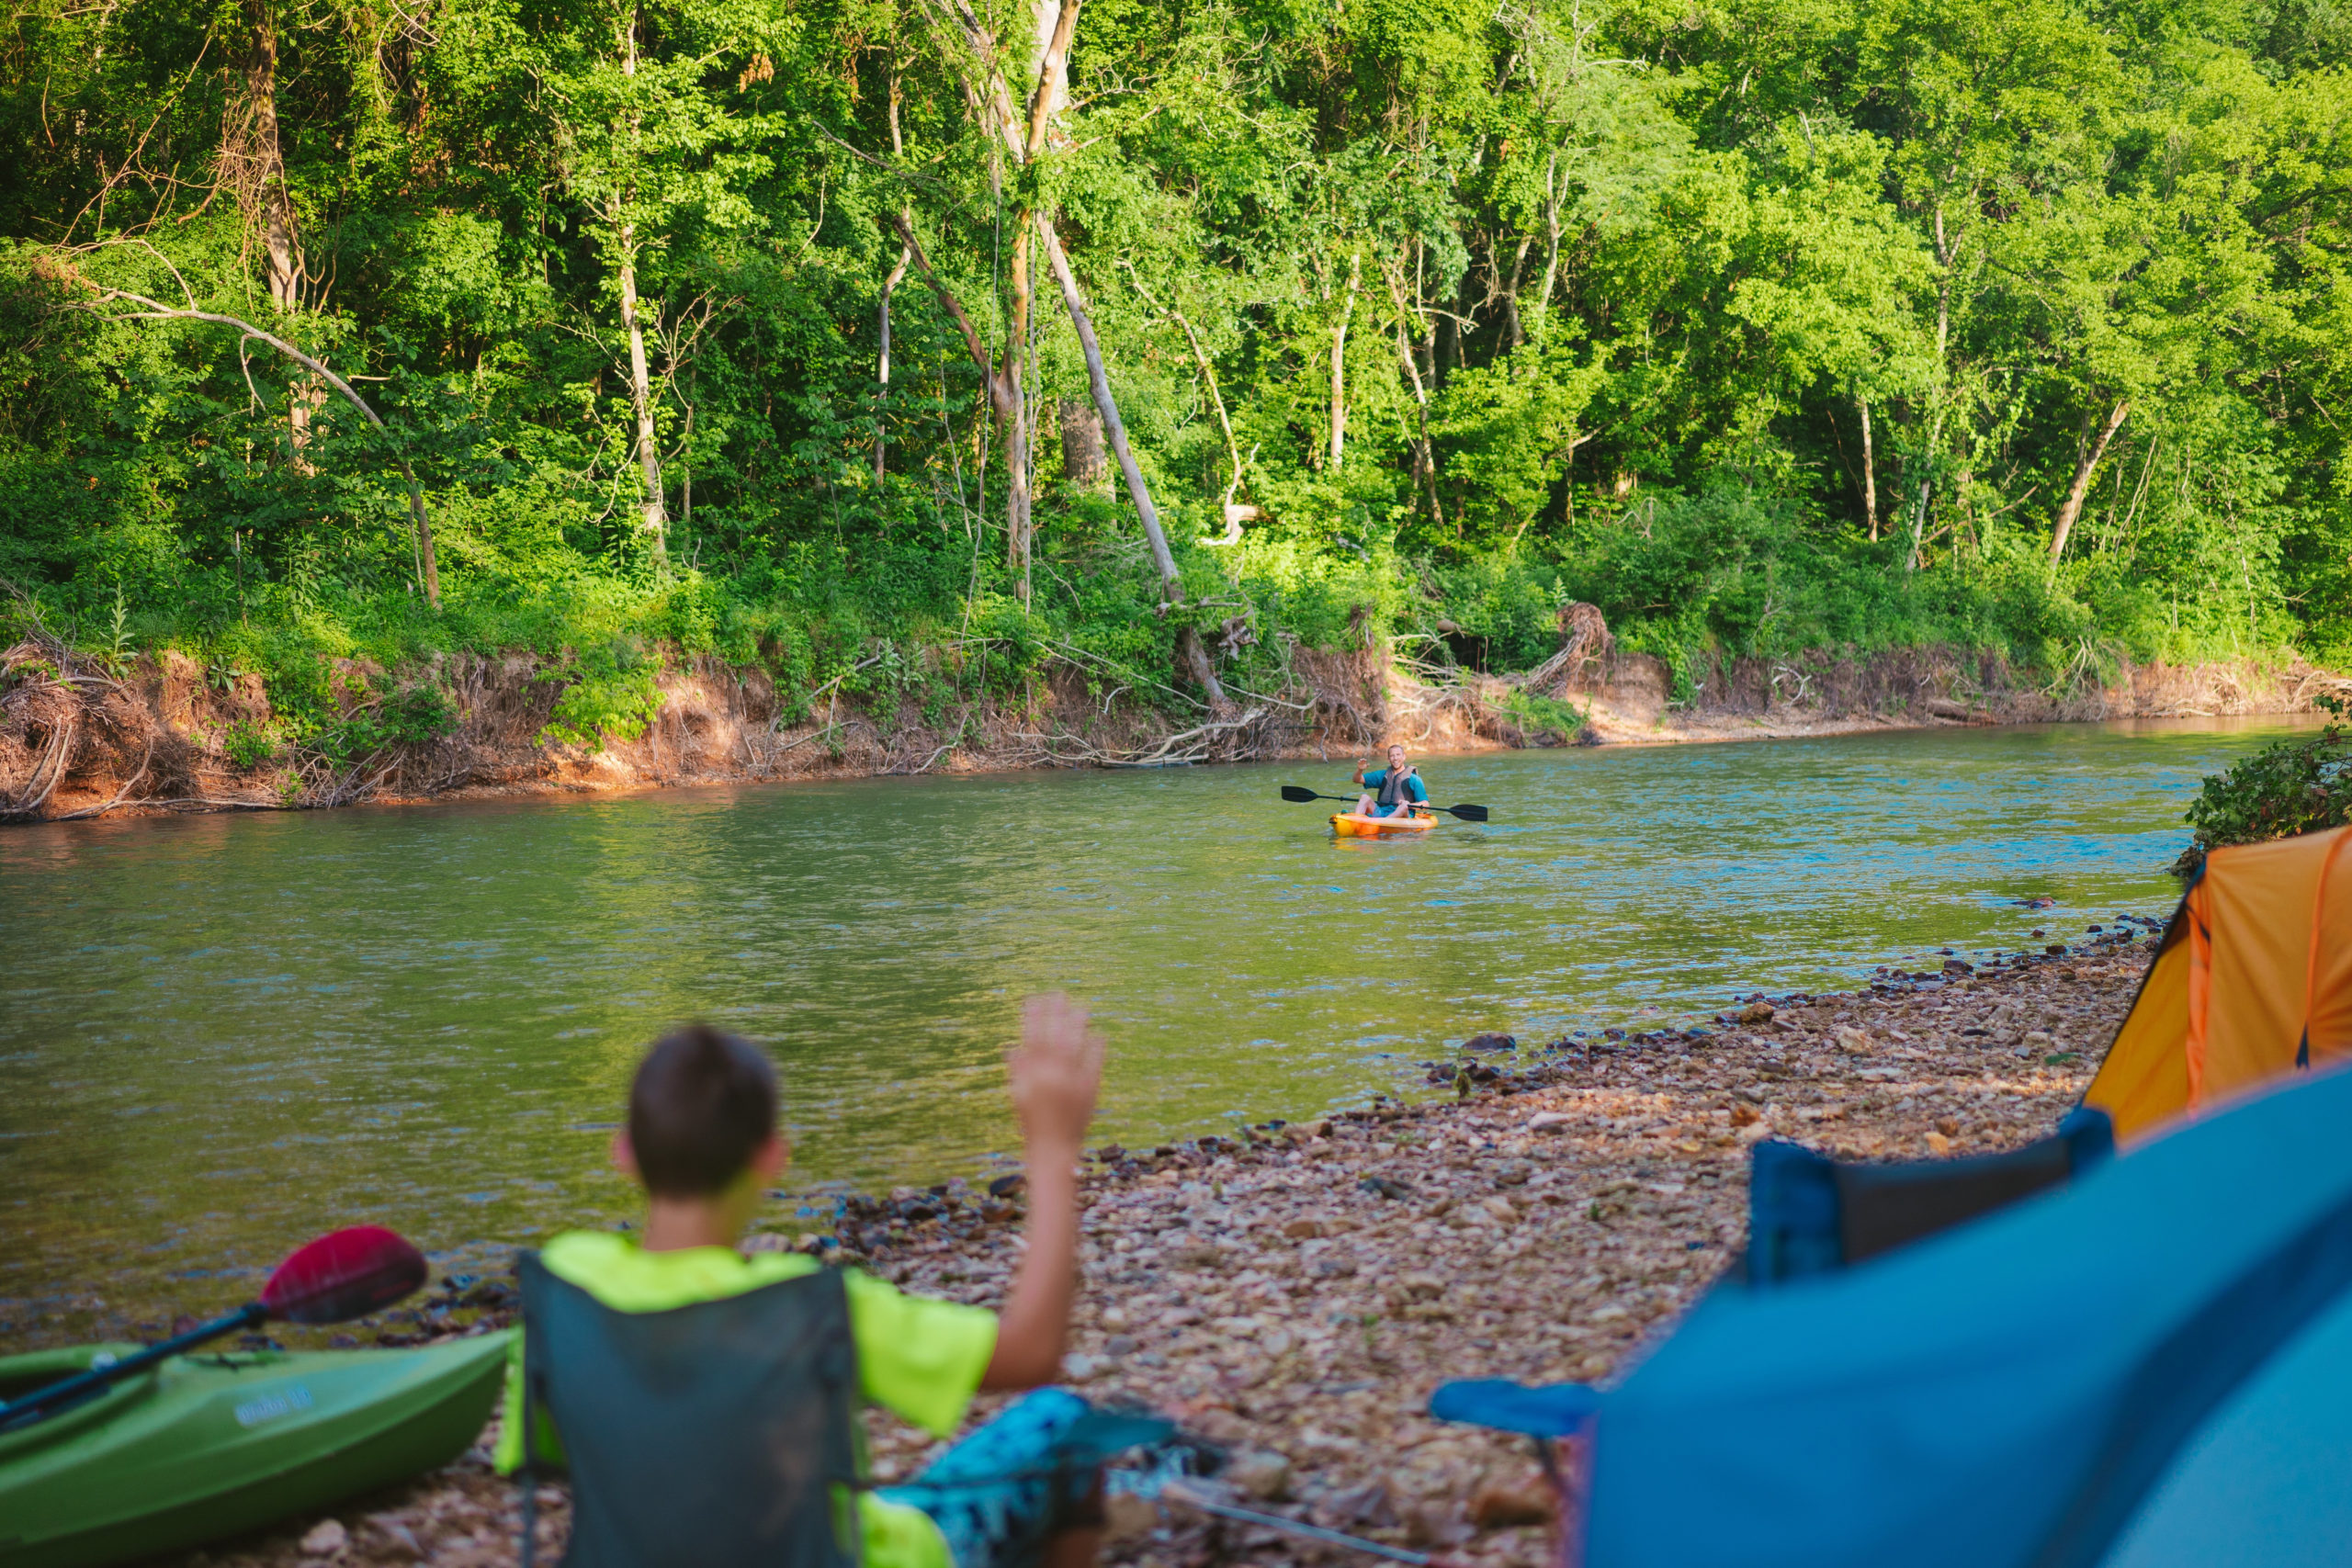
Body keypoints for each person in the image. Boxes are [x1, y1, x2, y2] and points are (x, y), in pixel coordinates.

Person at [496, 995, 1110, 1568]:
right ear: (771, 1156)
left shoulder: (562, 1290)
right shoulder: (808, 1304)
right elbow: (1032, 1352)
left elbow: (555, 1459)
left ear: (625, 1152)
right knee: (1064, 1423)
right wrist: (1052, 1151)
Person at [1352, 742, 1430, 819]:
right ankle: (1356, 822)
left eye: (1398, 755)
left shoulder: (1414, 779)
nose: (1395, 758)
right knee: (1364, 797)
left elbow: (1426, 804)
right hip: (1381, 812)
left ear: (1404, 757)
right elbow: (1357, 780)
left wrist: (1409, 804)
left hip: (1403, 815)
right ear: (1388, 759)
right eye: (1392, 756)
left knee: (1404, 805)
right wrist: (1360, 770)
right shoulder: (1382, 775)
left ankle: (1384, 822)